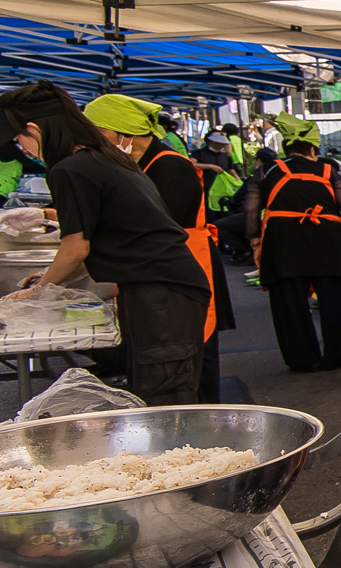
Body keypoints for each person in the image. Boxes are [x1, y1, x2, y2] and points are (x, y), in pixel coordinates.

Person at [0, 83, 210, 405]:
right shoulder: (101, 156)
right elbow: (101, 238)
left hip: (162, 292)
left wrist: (38, 289)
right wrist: (46, 279)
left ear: (34, 129)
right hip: (166, 288)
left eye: (19, 140)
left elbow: (76, 248)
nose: (23, 149)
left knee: (164, 398)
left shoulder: (70, 169)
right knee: (159, 391)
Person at [83, 95, 237, 404]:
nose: (96, 142)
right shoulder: (140, 163)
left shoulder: (169, 166)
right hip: (163, 269)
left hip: (186, 266)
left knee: (194, 354)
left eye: (100, 133)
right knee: (175, 356)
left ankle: (205, 429)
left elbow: (157, 226)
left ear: (123, 131)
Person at [242, 114, 341, 372]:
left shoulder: (267, 170)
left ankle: (302, 359)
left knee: (289, 300)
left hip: (283, 240)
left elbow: (251, 208)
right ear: (312, 148)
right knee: (333, 299)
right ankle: (335, 357)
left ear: (286, 148)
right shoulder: (329, 170)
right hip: (326, 240)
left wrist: (255, 243)